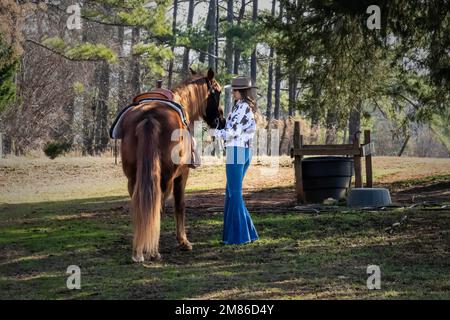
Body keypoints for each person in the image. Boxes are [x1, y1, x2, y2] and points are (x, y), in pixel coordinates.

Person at [210, 76, 260, 245]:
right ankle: (248, 233)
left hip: (237, 151)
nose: (232, 92)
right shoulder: (240, 107)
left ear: (241, 91)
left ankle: (239, 237)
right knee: (232, 192)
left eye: (234, 90)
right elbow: (231, 129)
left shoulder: (242, 108)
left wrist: (214, 133)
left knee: (234, 193)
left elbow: (233, 133)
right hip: (240, 151)